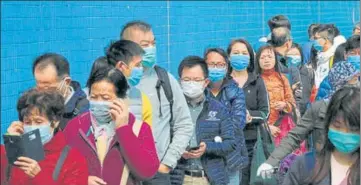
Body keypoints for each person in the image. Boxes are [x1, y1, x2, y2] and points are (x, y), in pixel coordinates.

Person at [257, 61, 360, 179]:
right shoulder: (320, 109)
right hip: (322, 171)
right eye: (353, 80)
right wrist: (271, 161)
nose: (357, 85)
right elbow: (295, 136)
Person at [120, 20, 193, 184]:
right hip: (121, 172)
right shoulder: (110, 83)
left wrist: (167, 163)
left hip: (156, 172)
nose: (151, 49)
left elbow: (184, 124)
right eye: (145, 44)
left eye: (153, 43)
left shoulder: (165, 79)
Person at [64, 67, 159, 185]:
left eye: (105, 98)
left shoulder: (139, 129)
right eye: (94, 97)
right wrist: (81, 180)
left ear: (122, 99)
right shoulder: (75, 127)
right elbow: (60, 170)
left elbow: (146, 172)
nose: (98, 102)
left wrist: (124, 130)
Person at [171, 56, 239, 185]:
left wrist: (207, 148)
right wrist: (178, 151)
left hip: (209, 178)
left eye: (196, 80)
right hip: (179, 177)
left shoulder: (219, 109)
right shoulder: (172, 108)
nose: (191, 83)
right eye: (187, 79)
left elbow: (231, 143)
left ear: (206, 82)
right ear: (180, 81)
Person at [0, 89, 88, 185]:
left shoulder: (73, 159)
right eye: (27, 122)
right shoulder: (15, 150)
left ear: (55, 122)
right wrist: (11, 142)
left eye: (38, 122)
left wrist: (40, 177)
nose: (32, 127)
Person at [282, 86, 360, 185]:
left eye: (353, 129)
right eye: (337, 126)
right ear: (328, 124)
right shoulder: (305, 165)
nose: (344, 133)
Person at [227, 39, 270, 185]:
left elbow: (265, 112)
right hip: (226, 140)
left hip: (250, 141)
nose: (240, 56)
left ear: (250, 57)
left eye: (244, 53)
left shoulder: (257, 81)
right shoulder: (223, 81)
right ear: (229, 56)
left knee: (245, 179)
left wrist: (250, 116)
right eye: (236, 53)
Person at [204, 48, 248, 184]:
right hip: (204, 159)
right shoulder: (198, 91)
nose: (215, 68)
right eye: (211, 64)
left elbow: (238, 122)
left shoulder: (235, 91)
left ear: (226, 67)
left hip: (230, 158)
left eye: (220, 65)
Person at [32, 53, 89, 130]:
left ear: (66, 82)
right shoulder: (35, 104)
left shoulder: (83, 110)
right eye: (39, 87)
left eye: (47, 88)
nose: (42, 94)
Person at [254, 45, 296, 145]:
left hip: (282, 126)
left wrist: (285, 105)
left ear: (275, 59)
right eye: (263, 57)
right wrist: (266, 126)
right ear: (257, 61)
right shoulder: (254, 80)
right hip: (260, 129)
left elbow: (292, 103)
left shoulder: (282, 78)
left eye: (270, 57)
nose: (266, 60)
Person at [106, 39, 153, 127]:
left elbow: (146, 136)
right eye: (137, 65)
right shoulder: (96, 96)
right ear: (121, 66)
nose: (141, 69)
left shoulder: (142, 98)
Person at [316, 35, 360, 101]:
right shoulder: (333, 77)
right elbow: (320, 105)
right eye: (352, 53)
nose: (357, 57)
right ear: (345, 55)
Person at [270, 27, 303, 110]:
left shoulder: (261, 62)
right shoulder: (291, 68)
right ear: (288, 43)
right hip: (284, 117)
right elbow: (297, 98)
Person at [286, 43, 315, 115]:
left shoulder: (309, 72)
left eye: (296, 54)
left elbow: (311, 90)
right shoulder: (283, 73)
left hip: (304, 113)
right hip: (289, 112)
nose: (294, 57)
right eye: (291, 54)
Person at [313, 24, 343, 88]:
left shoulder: (336, 59)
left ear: (326, 40)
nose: (314, 41)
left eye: (316, 38)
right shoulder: (320, 56)